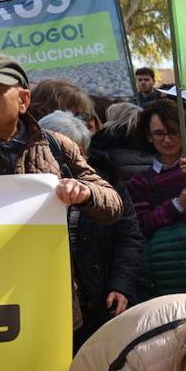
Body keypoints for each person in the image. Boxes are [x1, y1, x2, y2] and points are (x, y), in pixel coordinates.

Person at [0, 49, 123, 329]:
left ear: (23, 99)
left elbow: (112, 203)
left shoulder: (57, 146)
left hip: (46, 301)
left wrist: (85, 193)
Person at [40, 110, 144, 340]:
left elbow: (129, 237)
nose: (57, 159)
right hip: (50, 306)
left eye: (68, 152)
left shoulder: (109, 185)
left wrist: (121, 284)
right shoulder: (27, 188)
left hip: (101, 300)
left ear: (82, 152)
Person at [127, 100, 186, 297]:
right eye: (159, 133)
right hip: (167, 271)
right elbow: (141, 225)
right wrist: (177, 206)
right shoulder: (140, 181)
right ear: (148, 136)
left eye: (173, 131)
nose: (167, 140)